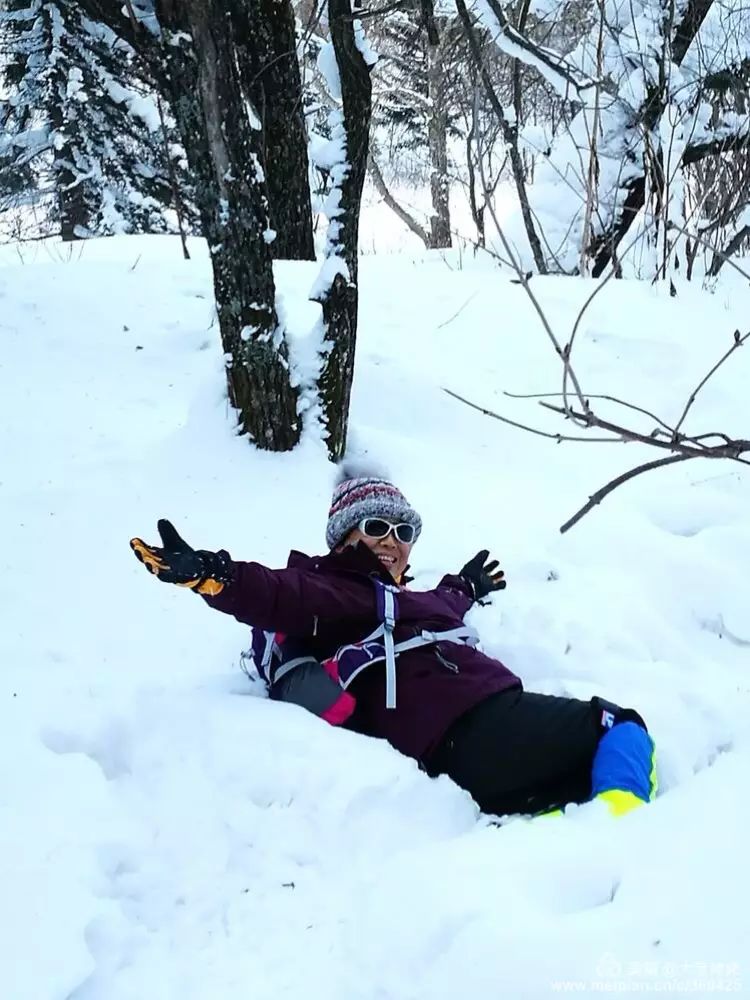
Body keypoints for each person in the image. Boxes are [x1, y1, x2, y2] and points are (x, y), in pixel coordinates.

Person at [130, 473, 656, 818]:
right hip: (473, 721)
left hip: (461, 744)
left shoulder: (399, 601)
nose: (392, 539)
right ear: (343, 539)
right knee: (621, 725)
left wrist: (466, 585)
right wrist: (215, 576)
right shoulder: (332, 589)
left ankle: (560, 830)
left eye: (404, 531)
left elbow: (442, 604)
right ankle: (627, 833)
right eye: (376, 526)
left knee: (569, 786)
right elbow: (276, 593)